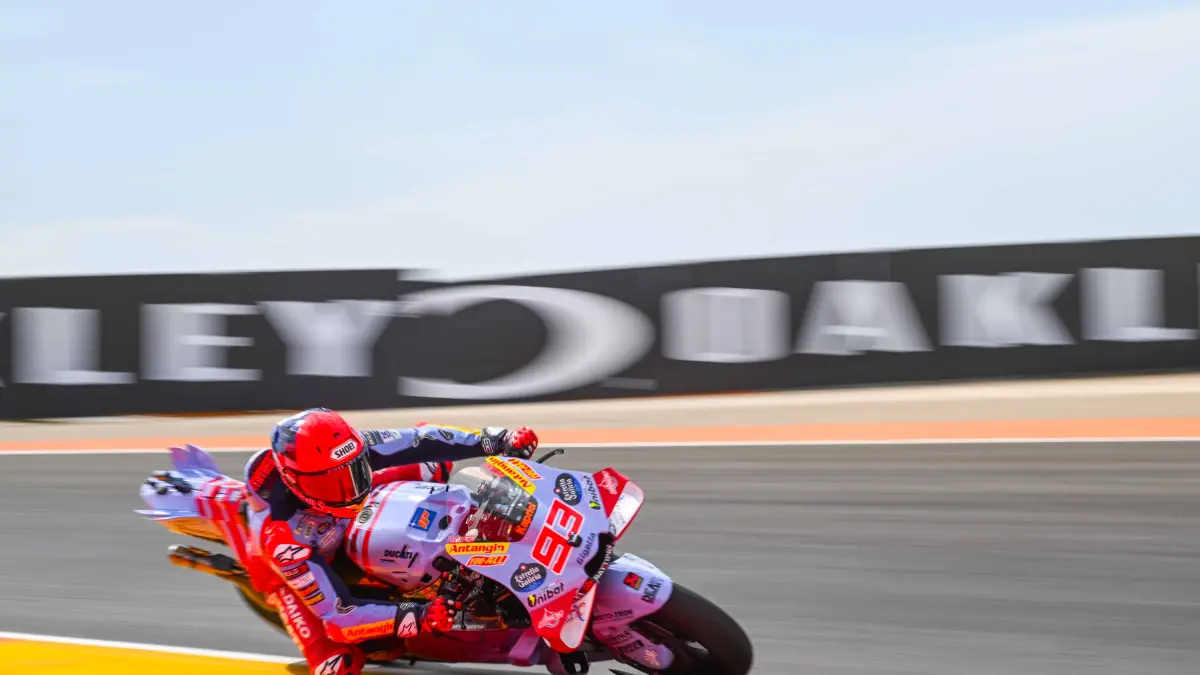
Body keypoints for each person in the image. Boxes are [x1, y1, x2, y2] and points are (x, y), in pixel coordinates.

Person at [239, 407, 540, 675]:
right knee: (335, 666)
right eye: (328, 483)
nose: (348, 489)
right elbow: (338, 615)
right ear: (294, 481)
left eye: (353, 470)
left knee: (433, 464)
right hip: (307, 564)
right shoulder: (282, 537)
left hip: (352, 515)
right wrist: (421, 616)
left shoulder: (348, 449)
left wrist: (497, 440)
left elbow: (421, 438)